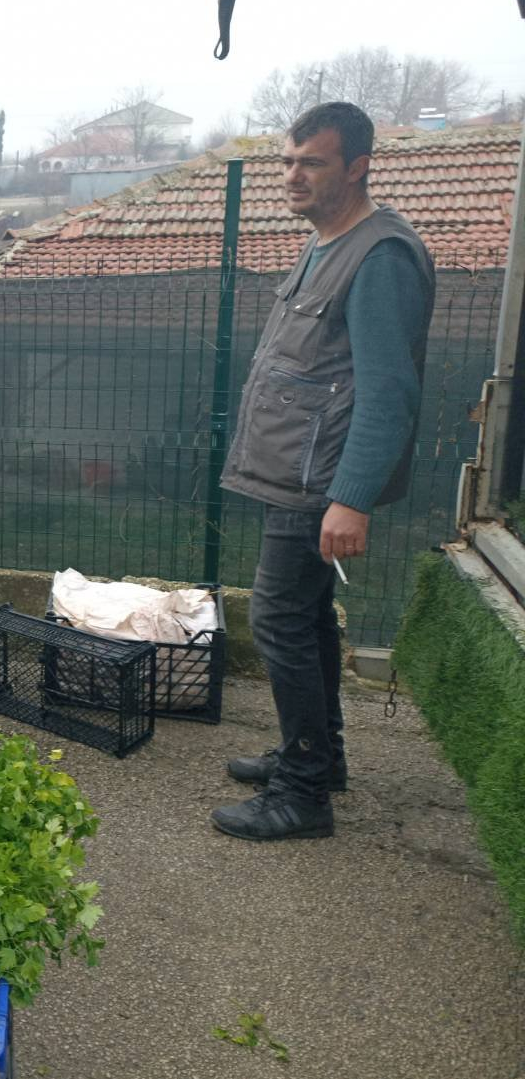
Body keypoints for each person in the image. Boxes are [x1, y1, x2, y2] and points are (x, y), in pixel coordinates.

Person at [214, 102, 435, 842]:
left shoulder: (380, 258)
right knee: (304, 619)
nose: (292, 175)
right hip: (295, 474)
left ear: (358, 166)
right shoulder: (325, 243)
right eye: (287, 161)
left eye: (311, 162)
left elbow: (388, 393)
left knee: (276, 619)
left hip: (320, 484)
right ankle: (319, 755)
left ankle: (304, 791)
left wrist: (352, 497)